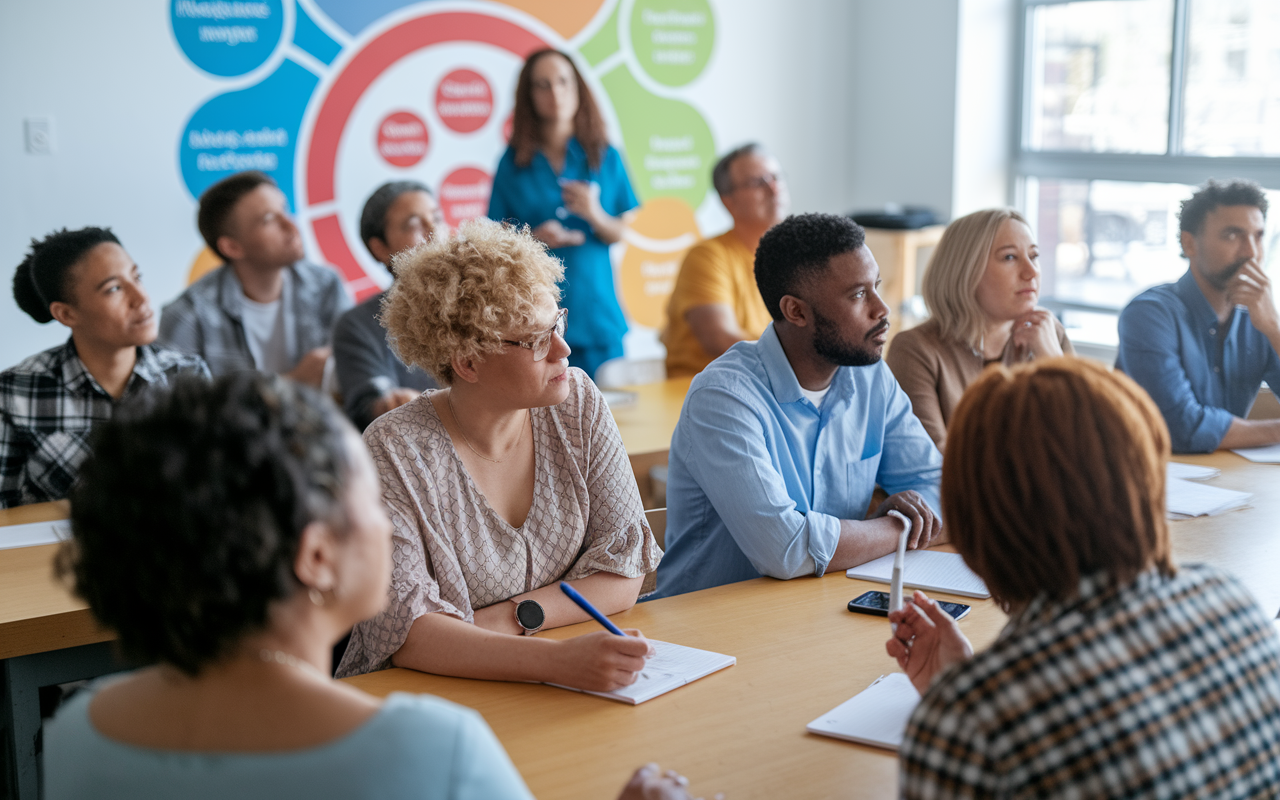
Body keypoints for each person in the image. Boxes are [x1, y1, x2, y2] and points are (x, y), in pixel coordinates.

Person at [44, 372, 694, 800]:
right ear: (318, 556)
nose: (389, 525)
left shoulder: (78, 731)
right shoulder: (433, 747)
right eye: (371, 502)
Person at [886, 358, 1280, 797]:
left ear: (976, 521)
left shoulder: (970, 723)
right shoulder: (1231, 601)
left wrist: (967, 697)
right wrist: (967, 687)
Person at [336, 220, 662, 686]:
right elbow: (406, 634)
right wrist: (559, 661)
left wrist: (509, 620)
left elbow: (623, 573)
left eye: (558, 324)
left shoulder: (579, 401)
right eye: (535, 340)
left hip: (547, 673)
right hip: (426, 694)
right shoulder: (394, 449)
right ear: (467, 362)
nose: (563, 349)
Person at [650, 213, 943, 600]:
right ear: (796, 312)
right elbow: (785, 550)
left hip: (825, 608)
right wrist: (895, 527)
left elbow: (942, 493)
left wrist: (875, 529)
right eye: (858, 295)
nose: (882, 309)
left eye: (877, 286)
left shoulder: (871, 377)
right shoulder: (723, 396)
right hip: (713, 633)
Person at [1, 227, 208, 508]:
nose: (141, 298)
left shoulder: (187, 376)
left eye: (137, 277)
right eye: (114, 289)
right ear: (66, 313)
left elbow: (214, 487)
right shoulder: (16, 391)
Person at [488, 49, 639, 379]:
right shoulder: (512, 163)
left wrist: (594, 213)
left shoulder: (604, 154)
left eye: (562, 82)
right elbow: (496, 242)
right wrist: (535, 239)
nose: (554, 93)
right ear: (528, 96)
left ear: (578, 89)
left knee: (608, 418)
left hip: (597, 311)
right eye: (542, 85)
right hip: (535, 320)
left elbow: (619, 232)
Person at [886, 208, 1073, 451]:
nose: (1031, 272)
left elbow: (1089, 444)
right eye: (1009, 257)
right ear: (965, 271)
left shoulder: (1050, 333)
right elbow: (934, 464)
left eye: (1034, 256)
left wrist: (1054, 363)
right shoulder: (915, 350)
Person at [1117, 179, 1280, 453]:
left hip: (1222, 478)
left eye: (1258, 236)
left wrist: (1274, 327)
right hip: (1149, 478)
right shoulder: (1148, 314)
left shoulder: (1259, 317)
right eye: (1233, 235)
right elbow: (1183, 428)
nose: (1251, 252)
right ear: (1189, 243)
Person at [159, 171, 352, 386]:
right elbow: (179, 410)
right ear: (232, 247)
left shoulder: (326, 284)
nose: (291, 226)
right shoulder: (188, 316)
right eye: (268, 219)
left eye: (285, 210)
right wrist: (290, 384)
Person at [664, 143, 788, 377]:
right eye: (757, 182)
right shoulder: (708, 256)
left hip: (766, 383)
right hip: (705, 388)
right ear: (728, 200)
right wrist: (799, 357)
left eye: (776, 177)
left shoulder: (792, 257)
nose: (774, 189)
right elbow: (720, 339)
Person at [334, 181, 443, 430]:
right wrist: (390, 403)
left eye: (436, 218)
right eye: (414, 225)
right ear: (380, 248)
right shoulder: (358, 325)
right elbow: (368, 407)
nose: (434, 232)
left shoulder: (480, 302)